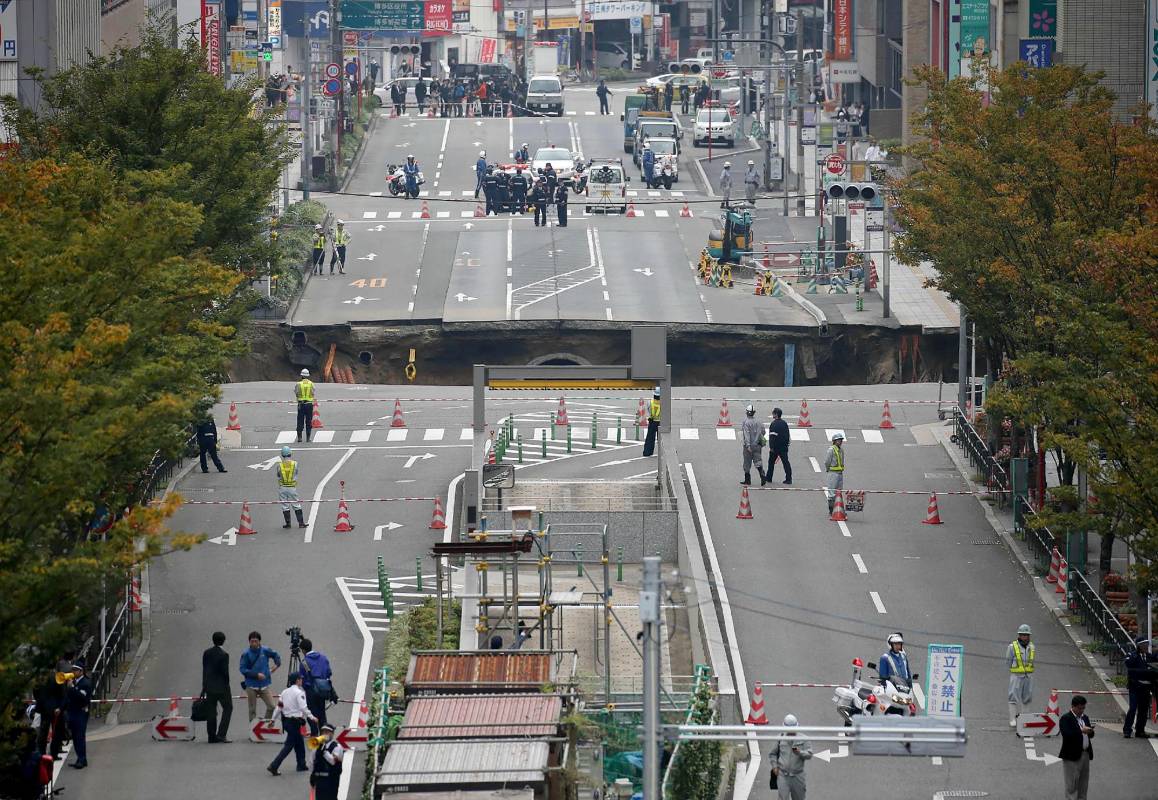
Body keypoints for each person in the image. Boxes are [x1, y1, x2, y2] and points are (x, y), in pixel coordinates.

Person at [267, 672, 316, 776]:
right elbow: (303, 707)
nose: (302, 680)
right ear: (297, 680)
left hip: (287, 722)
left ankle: (301, 764)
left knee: (299, 742)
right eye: (301, 679)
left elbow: (279, 707)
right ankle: (274, 765)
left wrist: (273, 719)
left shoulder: (284, 692)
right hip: (295, 722)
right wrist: (311, 717)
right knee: (289, 745)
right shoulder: (299, 692)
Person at [239, 631, 281, 722]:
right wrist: (256, 675)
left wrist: (276, 666)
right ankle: (253, 731)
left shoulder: (265, 650)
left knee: (272, 706)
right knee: (252, 710)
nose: (254, 643)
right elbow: (242, 669)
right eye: (252, 641)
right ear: (249, 642)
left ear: (259, 641)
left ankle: (262, 726)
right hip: (251, 686)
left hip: (264, 685)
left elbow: (276, 655)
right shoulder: (246, 654)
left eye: (256, 641)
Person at [769, 713, 812, 799]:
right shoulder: (780, 738)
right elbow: (772, 754)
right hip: (783, 775)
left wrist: (800, 752)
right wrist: (774, 766)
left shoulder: (804, 739)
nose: (791, 732)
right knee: (782, 798)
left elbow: (809, 755)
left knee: (799, 798)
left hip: (798, 776)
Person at [1059, 695, 1094, 800]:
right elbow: (1067, 734)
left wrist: (1091, 731)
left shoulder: (1085, 717)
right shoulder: (1066, 718)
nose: (1081, 710)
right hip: (1071, 756)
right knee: (1072, 785)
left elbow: (1090, 735)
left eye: (1083, 708)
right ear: (1073, 706)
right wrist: (1081, 731)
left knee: (1083, 784)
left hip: (1085, 754)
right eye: (1079, 708)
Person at [201, 631, 232, 743]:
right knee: (228, 708)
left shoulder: (206, 653)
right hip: (222, 687)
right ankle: (221, 734)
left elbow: (205, 670)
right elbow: (225, 673)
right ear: (223, 641)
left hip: (209, 686)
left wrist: (204, 686)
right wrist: (227, 685)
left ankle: (211, 736)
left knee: (211, 712)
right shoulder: (224, 655)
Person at [1123, 637, 1155, 738]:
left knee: (1143, 710)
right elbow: (1130, 668)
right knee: (1133, 708)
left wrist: (1146, 672)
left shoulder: (1150, 657)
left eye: (1147, 644)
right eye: (1144, 644)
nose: (1146, 646)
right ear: (1139, 646)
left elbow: (1154, 670)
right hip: (1135, 686)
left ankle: (1140, 730)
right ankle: (1127, 730)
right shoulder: (1132, 656)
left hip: (1146, 687)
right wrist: (1146, 671)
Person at [301, 638, 333, 735]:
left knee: (311, 713)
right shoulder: (323, 657)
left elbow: (302, 679)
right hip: (323, 690)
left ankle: (314, 732)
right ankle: (323, 734)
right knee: (322, 713)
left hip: (311, 691)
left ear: (303, 650)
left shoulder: (304, 662)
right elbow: (329, 673)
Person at [877, 633, 913, 713]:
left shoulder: (903, 657)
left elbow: (908, 673)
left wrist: (910, 687)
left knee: (911, 711)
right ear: (891, 645)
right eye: (895, 644)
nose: (897, 646)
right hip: (892, 689)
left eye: (899, 644)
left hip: (903, 689)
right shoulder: (885, 658)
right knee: (882, 707)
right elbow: (883, 677)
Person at [64, 661, 90, 769]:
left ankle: (82, 759)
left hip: (81, 712)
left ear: (81, 671)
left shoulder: (85, 683)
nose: (73, 672)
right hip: (73, 712)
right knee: (75, 736)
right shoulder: (75, 681)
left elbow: (82, 698)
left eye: (75, 670)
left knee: (79, 736)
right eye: (73, 670)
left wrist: (72, 688)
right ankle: (80, 758)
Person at [1007, 623, 1035, 727]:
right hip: (1016, 675)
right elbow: (1008, 661)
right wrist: (1014, 670)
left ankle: (1025, 719)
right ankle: (1012, 719)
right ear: (1019, 635)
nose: (1025, 637)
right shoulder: (1012, 647)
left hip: (1028, 676)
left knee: (1027, 697)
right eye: (1023, 634)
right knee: (1012, 696)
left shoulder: (1032, 647)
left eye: (1027, 635)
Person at [310, 724, 344, 800]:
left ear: (332, 734)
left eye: (327, 732)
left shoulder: (337, 746)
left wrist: (324, 751)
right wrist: (312, 774)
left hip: (331, 779)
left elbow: (333, 761)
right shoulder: (317, 745)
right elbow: (312, 760)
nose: (325, 734)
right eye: (323, 732)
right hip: (319, 779)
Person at [278, 445, 307, 529]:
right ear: (290, 453)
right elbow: (296, 472)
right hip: (292, 487)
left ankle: (288, 524)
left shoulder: (280, 465)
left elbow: (278, 475)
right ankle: (301, 523)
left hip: (282, 487)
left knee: (285, 505)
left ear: (282, 455)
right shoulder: (295, 463)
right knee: (296, 504)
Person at [740, 404, 766, 486]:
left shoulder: (746, 422)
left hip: (749, 446)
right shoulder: (759, 422)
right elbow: (763, 432)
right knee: (758, 461)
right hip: (757, 445)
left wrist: (748, 445)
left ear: (747, 413)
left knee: (747, 463)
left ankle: (747, 480)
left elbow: (746, 434)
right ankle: (762, 475)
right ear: (754, 412)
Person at [766, 407, 792, 484]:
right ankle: (789, 478)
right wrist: (787, 444)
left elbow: (772, 437)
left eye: (773, 413)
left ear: (776, 414)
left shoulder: (773, 424)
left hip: (775, 448)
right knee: (786, 463)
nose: (772, 414)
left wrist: (771, 447)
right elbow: (787, 435)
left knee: (771, 463)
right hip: (783, 447)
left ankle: (769, 477)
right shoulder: (784, 423)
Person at [823, 432, 845, 516]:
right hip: (833, 473)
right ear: (834, 441)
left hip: (840, 473)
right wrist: (828, 469)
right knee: (832, 492)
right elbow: (827, 461)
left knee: (839, 492)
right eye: (839, 440)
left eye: (841, 440)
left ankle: (839, 509)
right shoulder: (831, 449)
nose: (840, 441)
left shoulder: (841, 450)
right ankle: (831, 510)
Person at [295, 368, 314, 443]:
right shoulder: (311, 384)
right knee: (309, 421)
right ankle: (308, 438)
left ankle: (300, 438)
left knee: (300, 421)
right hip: (309, 405)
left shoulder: (298, 384)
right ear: (308, 376)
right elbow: (313, 392)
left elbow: (296, 392)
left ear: (301, 376)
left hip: (301, 404)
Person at [642, 387, 661, 457]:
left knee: (650, 438)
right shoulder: (664, 402)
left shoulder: (650, 402)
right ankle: (663, 452)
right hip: (661, 422)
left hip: (652, 421)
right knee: (662, 439)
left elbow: (649, 410)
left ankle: (647, 452)